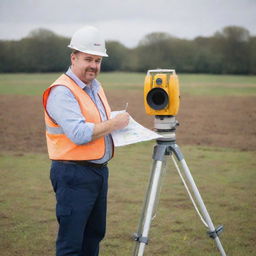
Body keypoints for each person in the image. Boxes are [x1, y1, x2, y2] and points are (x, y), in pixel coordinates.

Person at [42, 26, 130, 256]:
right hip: (73, 174)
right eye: (88, 59)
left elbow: (97, 121)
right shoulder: (62, 91)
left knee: (93, 237)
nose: (93, 65)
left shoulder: (94, 87)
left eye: (98, 60)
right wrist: (115, 124)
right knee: (72, 245)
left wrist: (116, 123)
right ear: (74, 57)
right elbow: (79, 134)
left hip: (98, 172)